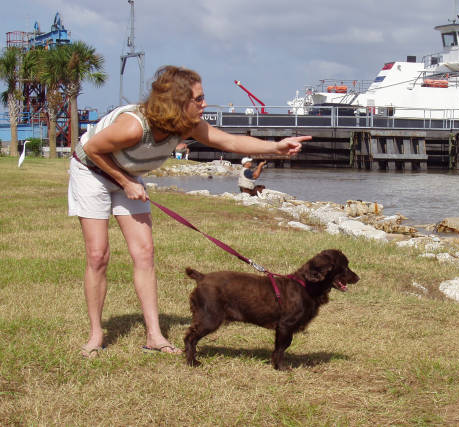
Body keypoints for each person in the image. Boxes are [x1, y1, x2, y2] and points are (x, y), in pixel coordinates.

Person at [69, 65, 310, 358]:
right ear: (177, 101)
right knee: (98, 255)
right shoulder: (134, 126)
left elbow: (230, 142)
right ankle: (96, 335)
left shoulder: (187, 125)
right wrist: (124, 181)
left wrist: (276, 147)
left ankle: (154, 336)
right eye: (198, 98)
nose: (204, 104)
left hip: (127, 175)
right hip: (92, 171)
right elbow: (92, 149)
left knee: (144, 253)